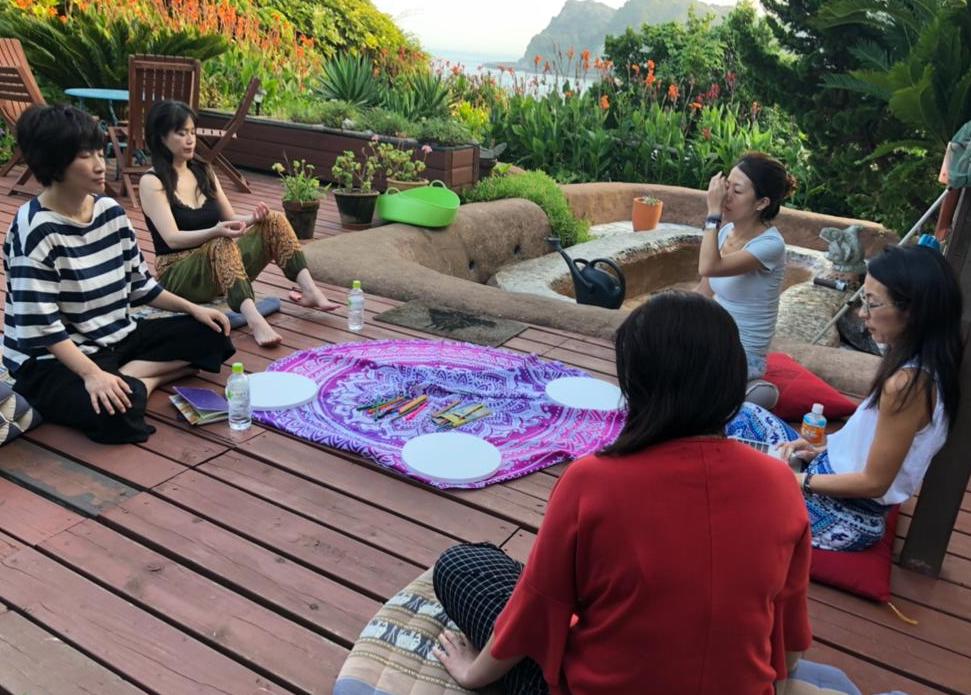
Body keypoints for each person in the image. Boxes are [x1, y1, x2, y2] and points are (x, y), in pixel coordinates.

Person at [431, 292, 813, 695]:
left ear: (637, 384)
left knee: (465, 566)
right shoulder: (780, 484)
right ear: (733, 382)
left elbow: (537, 608)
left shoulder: (592, 480)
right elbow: (787, 637)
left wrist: (472, 675)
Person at [3, 105, 235, 444]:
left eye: (101, 152)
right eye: (86, 156)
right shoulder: (34, 229)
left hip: (115, 336)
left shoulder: (110, 212)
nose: (101, 165)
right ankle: (139, 380)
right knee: (119, 414)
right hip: (53, 359)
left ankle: (132, 376)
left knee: (213, 334)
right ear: (54, 162)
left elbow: (140, 285)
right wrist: (93, 374)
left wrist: (193, 309)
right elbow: (42, 328)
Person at [729, 245, 962, 551]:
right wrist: (819, 447)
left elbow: (874, 483)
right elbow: (871, 441)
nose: (863, 313)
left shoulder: (908, 385)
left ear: (913, 311)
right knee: (743, 413)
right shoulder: (922, 363)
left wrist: (798, 482)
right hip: (824, 471)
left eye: (872, 303)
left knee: (727, 484)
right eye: (863, 299)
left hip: (845, 514)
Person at [138, 100, 339, 348]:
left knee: (274, 219)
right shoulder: (152, 181)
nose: (190, 139)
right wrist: (214, 232)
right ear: (161, 138)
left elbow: (230, 218)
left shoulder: (203, 170)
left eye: (192, 132)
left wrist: (254, 219)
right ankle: (255, 321)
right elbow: (172, 238)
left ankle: (310, 291)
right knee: (221, 242)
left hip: (216, 263)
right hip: (178, 273)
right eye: (181, 134)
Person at [696, 152, 797, 409]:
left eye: (737, 191)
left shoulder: (770, 245)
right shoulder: (727, 231)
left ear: (761, 203)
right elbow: (704, 290)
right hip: (713, 338)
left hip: (742, 354)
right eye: (726, 185)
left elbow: (709, 265)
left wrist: (712, 215)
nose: (726, 196)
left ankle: (751, 391)